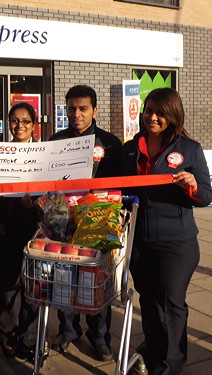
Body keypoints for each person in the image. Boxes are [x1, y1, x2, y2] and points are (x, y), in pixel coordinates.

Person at [120, 87, 212, 374]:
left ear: (173, 116)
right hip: (139, 242)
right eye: (148, 111)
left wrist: (193, 186)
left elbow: (207, 195)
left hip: (177, 243)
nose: (153, 117)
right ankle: (153, 349)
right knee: (148, 300)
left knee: (172, 304)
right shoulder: (131, 148)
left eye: (160, 113)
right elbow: (120, 189)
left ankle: (171, 365)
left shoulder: (190, 149)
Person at [49, 85, 122, 362]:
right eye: (71, 109)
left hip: (97, 223)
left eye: (83, 109)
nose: (76, 114)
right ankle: (69, 330)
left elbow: (119, 186)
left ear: (95, 110)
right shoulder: (56, 140)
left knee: (96, 283)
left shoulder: (111, 143)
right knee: (65, 279)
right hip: (64, 223)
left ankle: (100, 336)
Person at [0, 102, 42, 362]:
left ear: (34, 125)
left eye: (25, 121)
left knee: (34, 287)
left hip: (36, 231)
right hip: (5, 227)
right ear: (8, 123)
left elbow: (53, 193)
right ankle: (6, 334)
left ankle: (30, 339)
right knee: (8, 285)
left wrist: (35, 205)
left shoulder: (44, 154)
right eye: (14, 120)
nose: (19, 125)